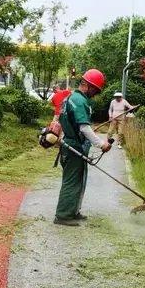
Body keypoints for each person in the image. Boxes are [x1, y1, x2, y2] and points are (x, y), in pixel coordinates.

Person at [54, 69, 111, 226]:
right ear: (89, 86)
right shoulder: (80, 101)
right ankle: (63, 215)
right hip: (73, 147)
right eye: (96, 90)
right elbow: (84, 128)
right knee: (72, 181)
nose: (95, 94)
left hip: (71, 143)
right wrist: (101, 144)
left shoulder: (71, 98)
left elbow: (75, 124)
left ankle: (73, 211)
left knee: (78, 180)